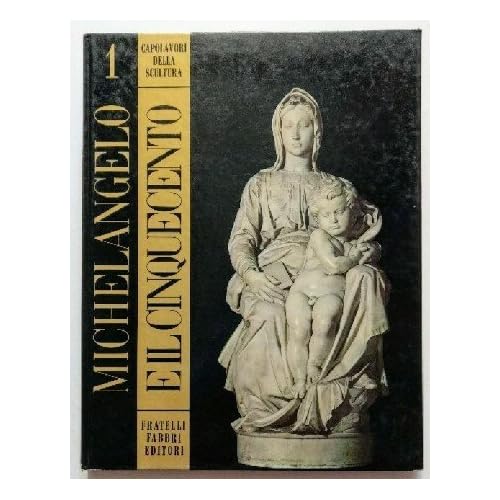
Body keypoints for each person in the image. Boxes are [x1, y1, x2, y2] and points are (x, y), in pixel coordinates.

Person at [219, 88, 390, 434]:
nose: (296, 134)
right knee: (269, 314)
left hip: (325, 275)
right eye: (288, 125)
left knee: (357, 289)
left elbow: (364, 230)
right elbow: (242, 238)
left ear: (318, 131)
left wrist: (368, 252)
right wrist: (252, 275)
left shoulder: (333, 186)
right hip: (273, 273)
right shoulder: (261, 183)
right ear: (278, 132)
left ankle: (330, 404)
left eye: (305, 124)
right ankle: (269, 409)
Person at [286, 176, 378, 399]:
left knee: (325, 323)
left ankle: (314, 366)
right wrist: (354, 258)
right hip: (302, 292)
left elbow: (371, 253)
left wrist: (371, 251)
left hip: (331, 295)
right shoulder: (319, 236)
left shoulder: (355, 245)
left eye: (339, 212)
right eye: (326, 215)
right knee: (299, 330)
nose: (333, 220)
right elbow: (333, 265)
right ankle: (299, 379)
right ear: (317, 218)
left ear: (353, 212)